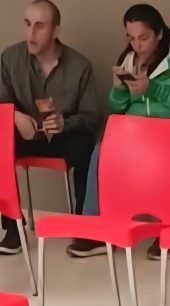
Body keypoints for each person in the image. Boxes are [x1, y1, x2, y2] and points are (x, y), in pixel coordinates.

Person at [65, 3, 170, 260]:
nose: (137, 45)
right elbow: (117, 109)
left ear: (160, 33)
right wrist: (119, 90)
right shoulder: (130, 60)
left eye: (143, 38)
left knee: (163, 155)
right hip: (143, 140)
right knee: (103, 150)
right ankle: (96, 232)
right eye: (132, 38)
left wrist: (152, 89)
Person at [0, 0, 99, 255]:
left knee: (89, 147)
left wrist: (66, 123)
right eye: (27, 24)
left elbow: (91, 117)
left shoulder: (80, 66)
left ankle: (85, 230)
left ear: (56, 31)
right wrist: (15, 116)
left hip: (63, 137)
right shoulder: (10, 58)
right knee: (0, 139)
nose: (31, 33)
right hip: (23, 135)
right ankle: (13, 228)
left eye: (40, 26)